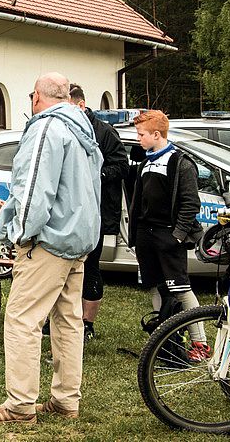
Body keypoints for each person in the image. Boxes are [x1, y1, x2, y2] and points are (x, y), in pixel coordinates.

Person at [0, 72, 102, 424]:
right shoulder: (82, 128)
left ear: (36, 97)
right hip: (78, 240)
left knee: (22, 320)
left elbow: (33, 188)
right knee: (69, 322)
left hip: (48, 240)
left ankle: (19, 406)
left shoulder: (46, 127)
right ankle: (65, 400)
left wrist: (19, 233)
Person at [129, 110, 208, 360]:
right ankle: (162, 341)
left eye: (141, 135)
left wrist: (178, 236)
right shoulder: (145, 163)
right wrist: (135, 236)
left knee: (181, 289)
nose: (138, 139)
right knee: (154, 286)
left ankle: (200, 344)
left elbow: (190, 203)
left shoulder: (180, 163)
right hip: (146, 235)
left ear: (156, 134)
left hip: (169, 236)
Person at [68, 84, 127, 342]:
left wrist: (96, 174)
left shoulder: (104, 131)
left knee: (90, 266)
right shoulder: (66, 128)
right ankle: (64, 318)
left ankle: (87, 323)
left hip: (97, 210)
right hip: (70, 211)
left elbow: (122, 166)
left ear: (81, 105)